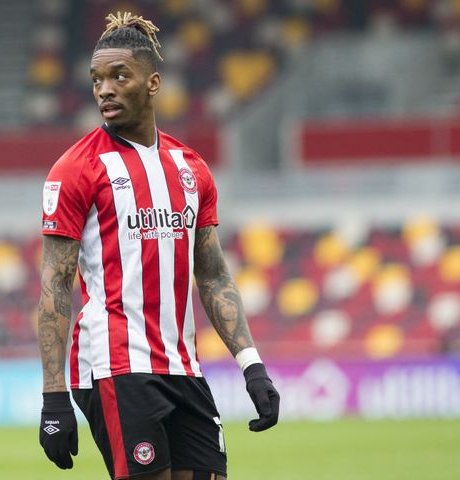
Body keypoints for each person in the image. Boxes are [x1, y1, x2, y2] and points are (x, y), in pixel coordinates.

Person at [37, 11, 280, 480]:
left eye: (119, 76)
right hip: (115, 366)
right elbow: (54, 285)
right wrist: (53, 397)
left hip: (184, 369)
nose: (104, 89)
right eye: (96, 79)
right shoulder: (75, 170)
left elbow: (211, 273)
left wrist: (252, 366)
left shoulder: (192, 169)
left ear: (153, 83)